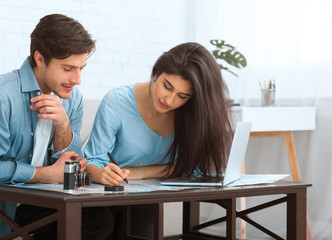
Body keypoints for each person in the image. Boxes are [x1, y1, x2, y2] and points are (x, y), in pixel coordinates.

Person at [84, 42, 233, 237]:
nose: (169, 100)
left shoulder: (192, 115)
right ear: (156, 73)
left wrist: (142, 172)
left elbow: (193, 170)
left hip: (146, 201)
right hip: (105, 200)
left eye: (182, 95)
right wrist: (103, 174)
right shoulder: (117, 101)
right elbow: (93, 160)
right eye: (167, 87)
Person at [0, 14, 113, 239]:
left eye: (81, 68)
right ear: (40, 59)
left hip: (44, 203)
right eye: (68, 68)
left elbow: (71, 164)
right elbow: (53, 174)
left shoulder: (73, 99)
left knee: (100, 220)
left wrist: (63, 124)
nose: (77, 79)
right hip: (6, 207)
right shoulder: (4, 95)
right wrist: (44, 174)